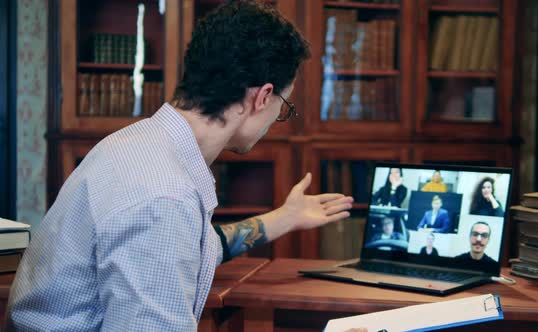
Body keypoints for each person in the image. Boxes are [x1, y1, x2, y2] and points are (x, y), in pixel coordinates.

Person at [6, 3, 354, 331]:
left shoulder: (138, 143)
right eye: (283, 105)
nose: (277, 117)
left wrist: (283, 218)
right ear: (262, 97)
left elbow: (198, 246)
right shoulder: (164, 197)